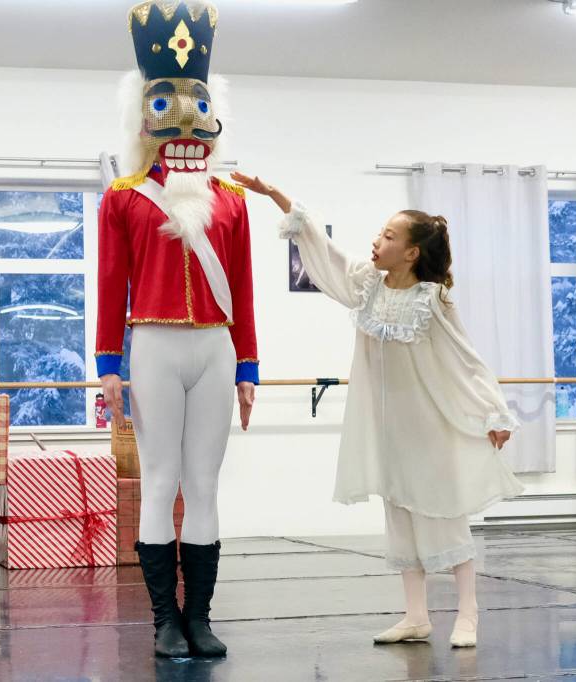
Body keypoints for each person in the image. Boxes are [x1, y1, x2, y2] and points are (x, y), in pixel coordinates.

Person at [232, 171, 524, 648]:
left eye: (389, 236)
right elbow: (326, 254)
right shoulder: (367, 286)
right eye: (380, 232)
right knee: (401, 517)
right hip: (389, 430)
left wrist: (493, 412)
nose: (377, 240)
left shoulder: (432, 300)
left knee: (443, 515)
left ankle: (468, 612)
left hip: (432, 429)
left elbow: (466, 359)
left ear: (411, 252)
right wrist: (276, 195)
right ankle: (415, 615)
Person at [96, 1, 258, 659]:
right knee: (161, 479)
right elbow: (110, 284)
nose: (185, 117)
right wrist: (109, 361)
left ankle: (201, 617)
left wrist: (248, 366)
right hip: (155, 345)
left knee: (206, 482)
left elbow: (242, 290)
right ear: (144, 114)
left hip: (215, 347)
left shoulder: (233, 202)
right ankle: (164, 618)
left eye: (197, 100)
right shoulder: (126, 196)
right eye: (167, 101)